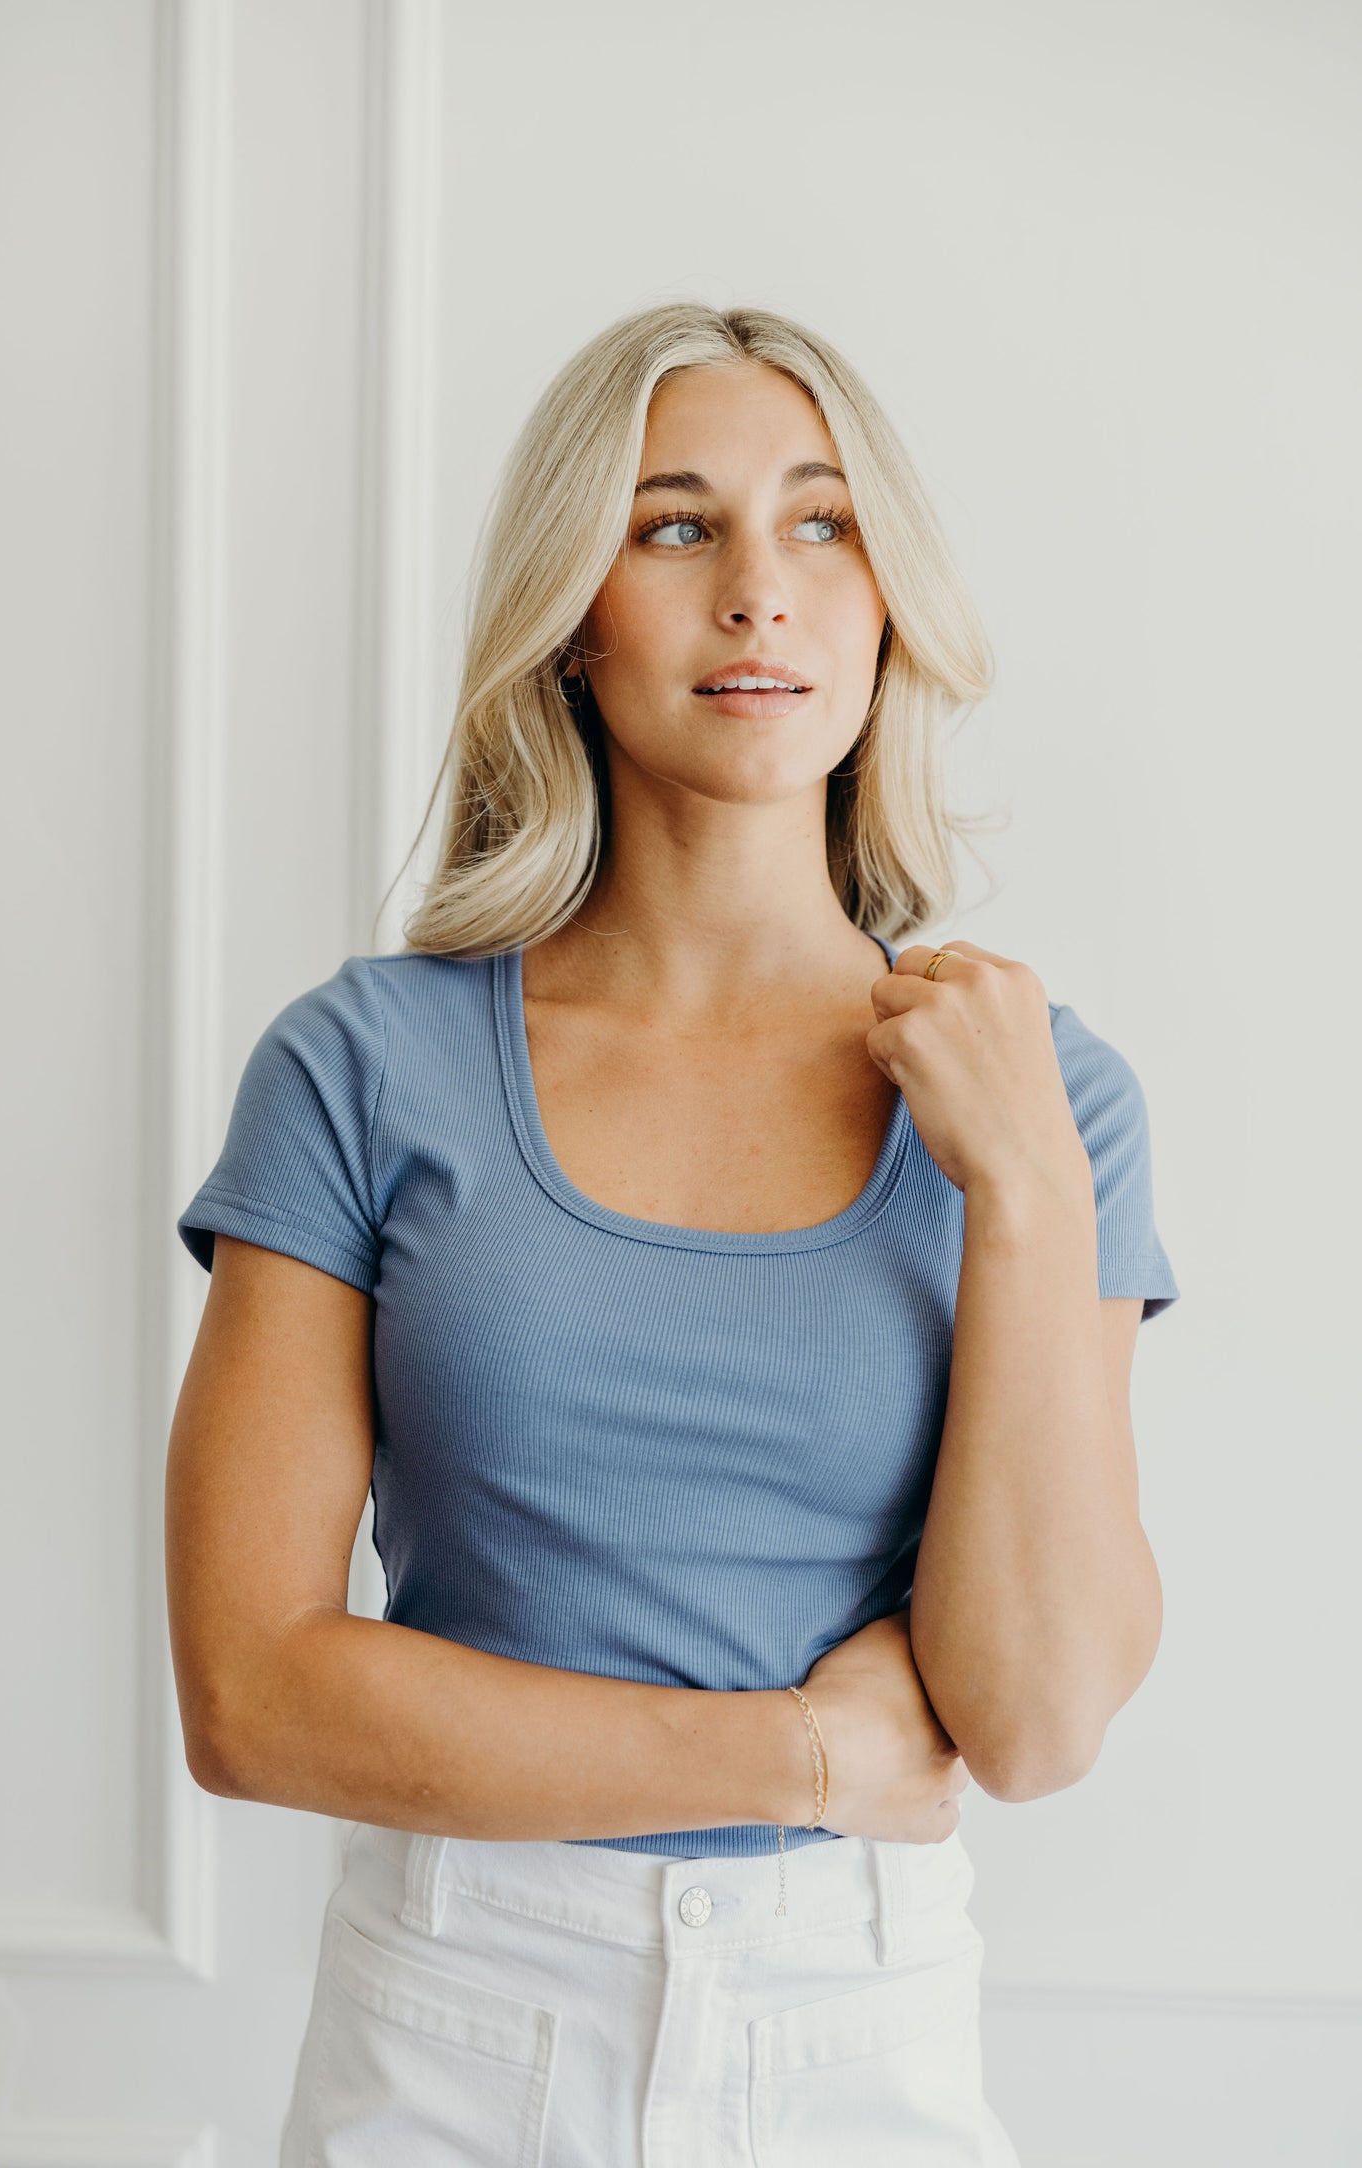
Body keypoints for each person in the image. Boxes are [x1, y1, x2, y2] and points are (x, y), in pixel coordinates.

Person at [167, 301, 1178, 2165]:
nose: (758, 594)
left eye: (819, 522)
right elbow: (252, 1694)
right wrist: (795, 1754)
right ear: (572, 611)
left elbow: (1030, 1725)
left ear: (888, 601)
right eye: (672, 524)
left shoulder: (1040, 1090)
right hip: (459, 2013)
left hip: (856, 2023)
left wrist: (1027, 1194)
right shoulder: (363, 1064)